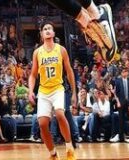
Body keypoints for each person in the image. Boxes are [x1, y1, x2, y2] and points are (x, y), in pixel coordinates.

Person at [28, 22, 76, 160]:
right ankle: (53, 153)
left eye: (50, 29)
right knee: (42, 124)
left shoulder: (61, 50)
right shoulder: (37, 52)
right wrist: (31, 90)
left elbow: (69, 71)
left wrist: (74, 93)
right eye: (45, 29)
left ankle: (69, 147)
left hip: (57, 89)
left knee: (60, 114)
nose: (48, 30)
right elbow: (32, 75)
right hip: (43, 91)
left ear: (54, 33)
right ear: (41, 34)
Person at [112, 64, 129, 143]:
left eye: (125, 72)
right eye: (123, 72)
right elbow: (116, 93)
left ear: (128, 73)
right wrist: (118, 102)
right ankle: (121, 137)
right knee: (121, 120)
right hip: (121, 102)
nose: (124, 73)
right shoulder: (117, 81)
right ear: (121, 73)